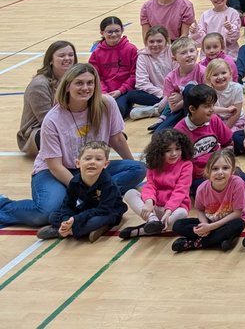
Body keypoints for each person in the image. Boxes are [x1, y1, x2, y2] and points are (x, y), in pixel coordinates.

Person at [0, 63, 147, 228]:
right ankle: (3, 205)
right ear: (68, 85)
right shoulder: (53, 119)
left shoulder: (107, 104)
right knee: (45, 214)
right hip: (54, 172)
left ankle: (91, 203)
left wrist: (131, 165)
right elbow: (55, 165)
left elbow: (117, 139)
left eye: (90, 83)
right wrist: (81, 190)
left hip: (91, 168)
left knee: (138, 169)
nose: (85, 88)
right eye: (79, 83)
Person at [34, 141, 125, 243]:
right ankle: (72, 229)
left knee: (94, 221)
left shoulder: (108, 184)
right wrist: (67, 220)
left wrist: (76, 219)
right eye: (87, 158)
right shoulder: (74, 181)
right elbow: (67, 205)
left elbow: (104, 209)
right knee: (53, 216)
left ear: (106, 164)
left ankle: (63, 231)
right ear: (78, 163)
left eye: (98, 159)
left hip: (108, 211)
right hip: (86, 209)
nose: (92, 162)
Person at [171, 148, 245, 253]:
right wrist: (204, 225)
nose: (220, 172)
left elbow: (238, 213)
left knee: (238, 224)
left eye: (225, 168)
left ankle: (194, 243)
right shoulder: (202, 188)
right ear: (208, 172)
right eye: (215, 169)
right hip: (210, 220)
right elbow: (200, 210)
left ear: (232, 170)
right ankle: (222, 240)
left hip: (229, 221)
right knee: (177, 225)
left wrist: (210, 227)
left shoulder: (237, 183)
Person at [16, 41, 77, 156]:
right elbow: (47, 120)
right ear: (50, 60)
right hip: (38, 132)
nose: (67, 58)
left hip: (69, 124)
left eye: (71, 54)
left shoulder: (75, 79)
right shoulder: (39, 85)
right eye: (62, 55)